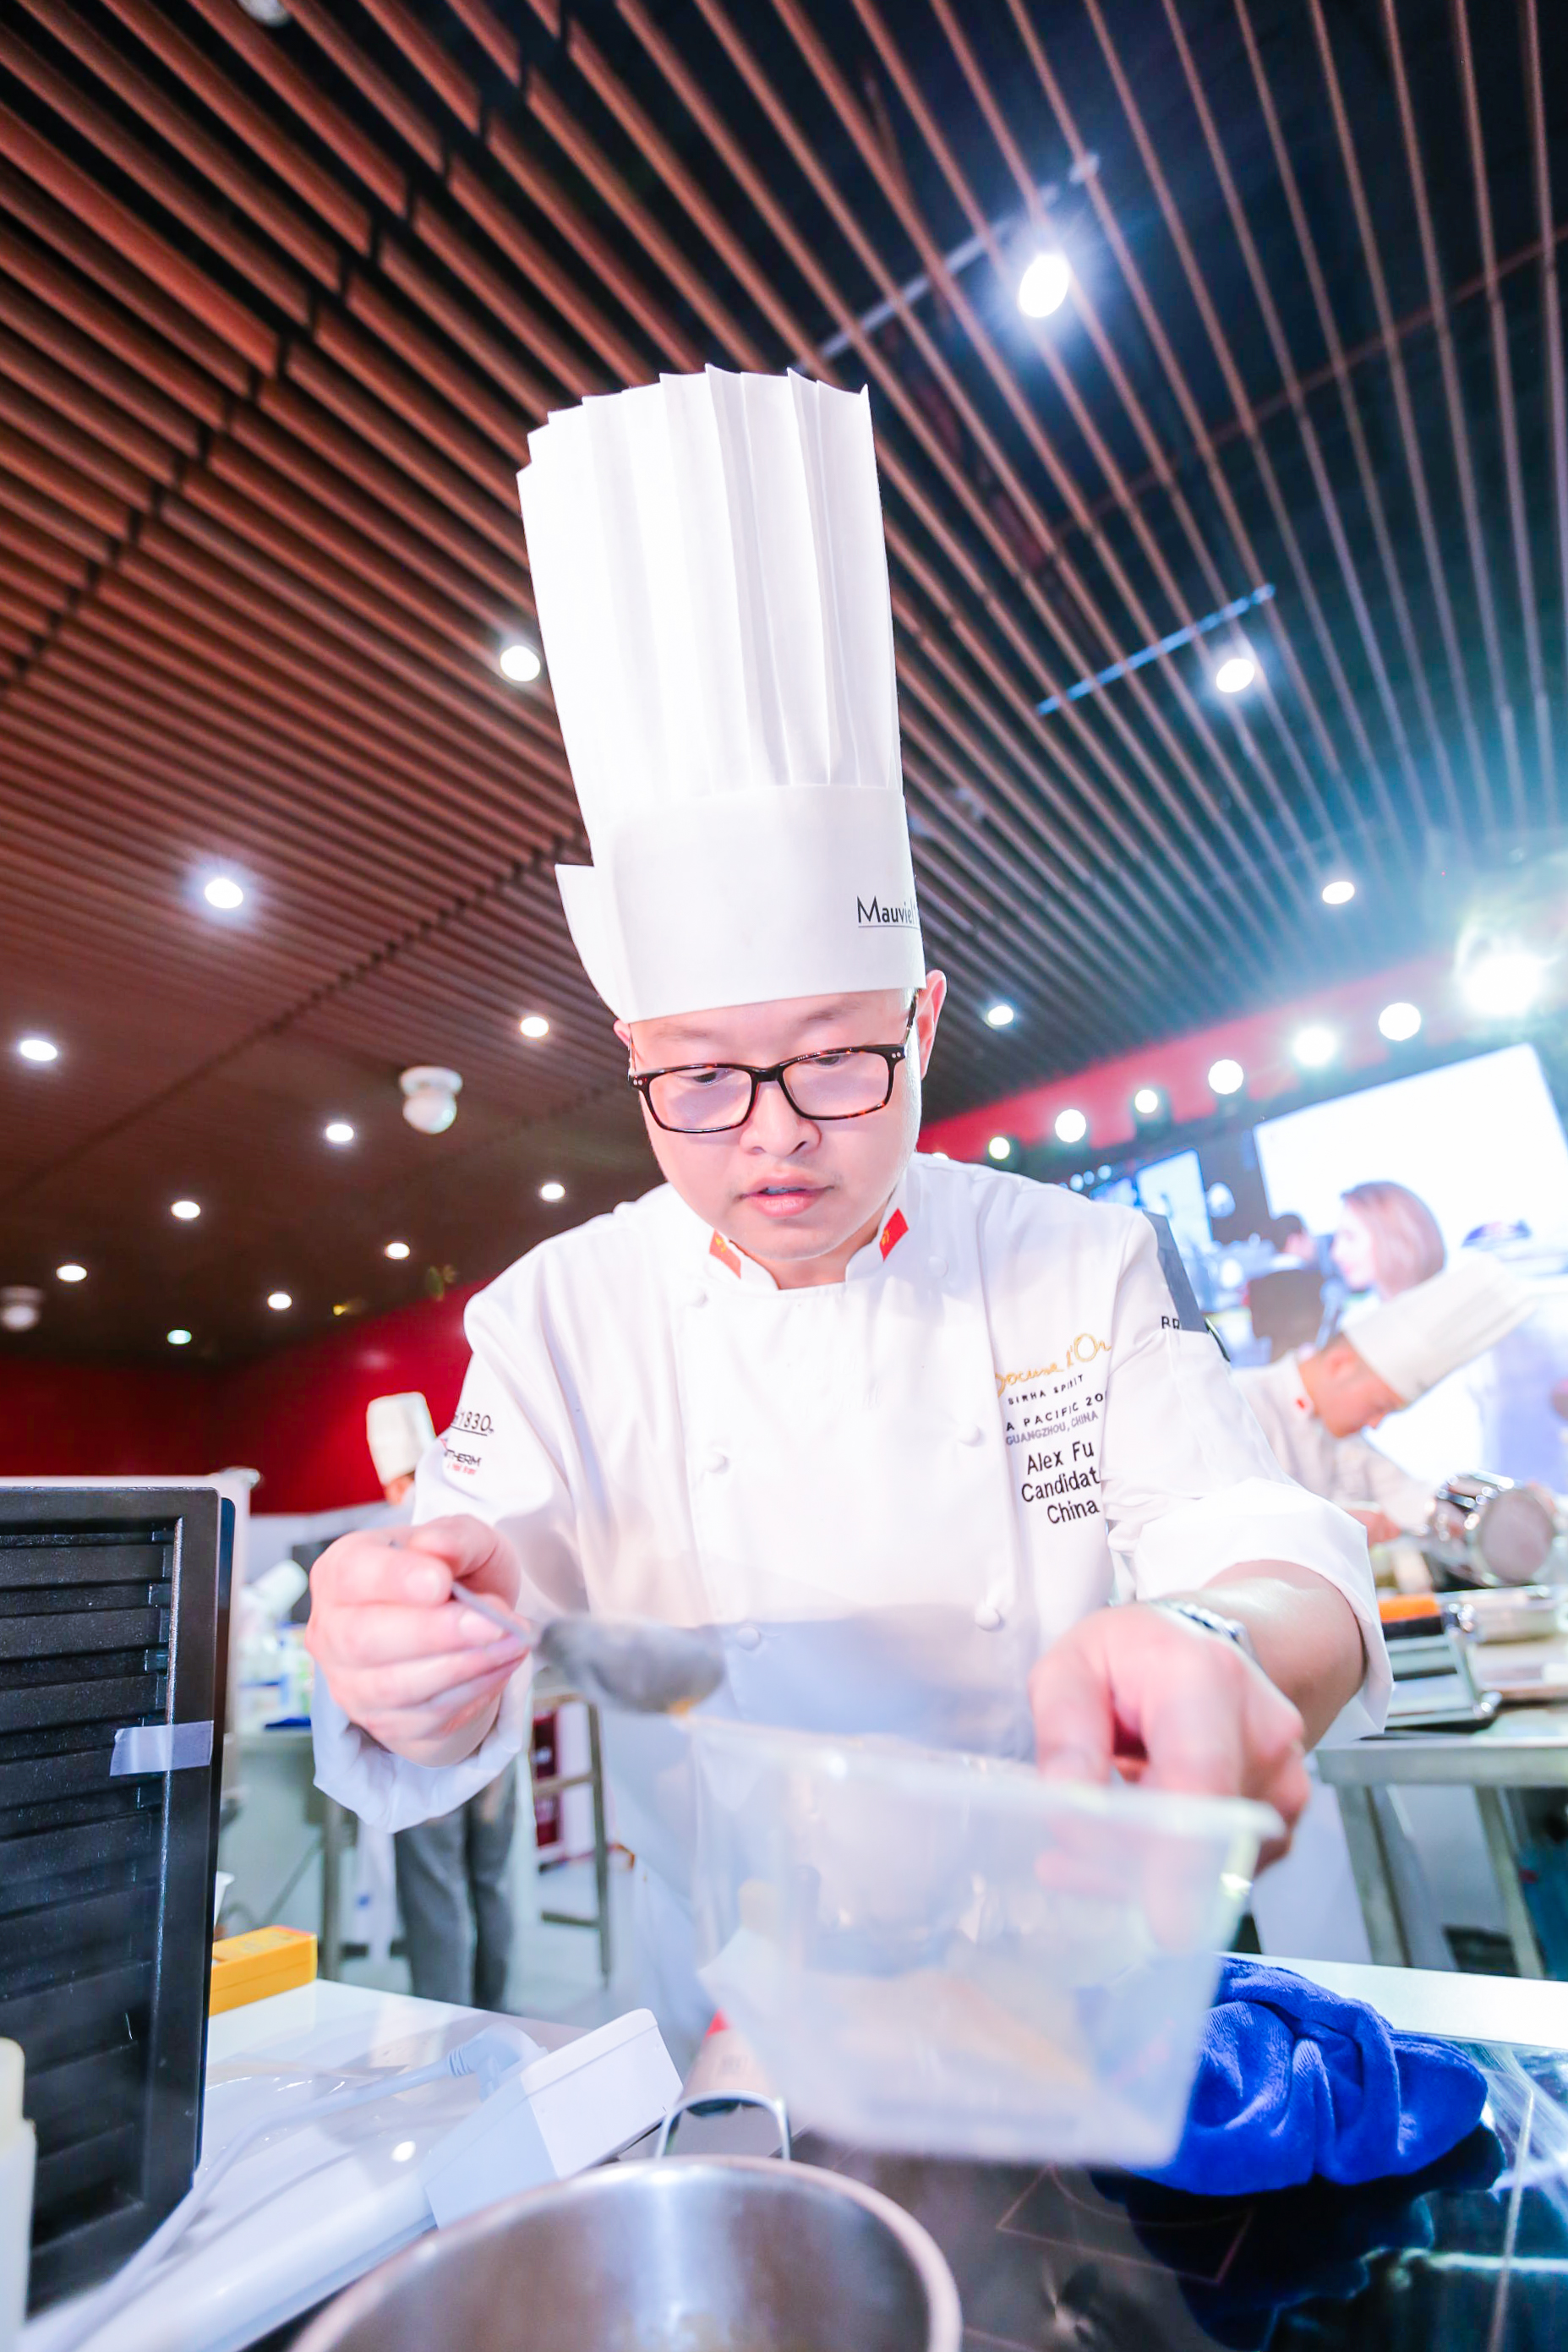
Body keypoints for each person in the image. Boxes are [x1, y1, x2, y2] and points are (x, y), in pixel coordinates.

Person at [304, 368, 1385, 2054]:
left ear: (923, 1023)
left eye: (833, 1060)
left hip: (1080, 1998)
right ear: (633, 1061)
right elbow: (474, 1607)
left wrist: (1216, 1645)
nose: (773, 1136)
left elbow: (1252, 1534)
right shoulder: (560, 1315)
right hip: (737, 2020)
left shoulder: (1069, 1260)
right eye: (700, 1077)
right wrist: (405, 1647)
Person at [366, 1391, 516, 2009]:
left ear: (391, 1479)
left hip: (428, 1736)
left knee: (435, 1886)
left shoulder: (387, 1537)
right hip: (496, 1725)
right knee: (491, 1878)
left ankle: (446, 2026)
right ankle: (494, 2012)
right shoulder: (479, 1519)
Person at [1233, 1253, 1535, 1545]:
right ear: (1340, 1365)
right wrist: (1332, 1524)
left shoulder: (1344, 1439)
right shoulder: (1242, 1401)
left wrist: (1507, 1508)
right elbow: (1231, 1521)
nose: (1376, 1423)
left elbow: (1408, 1496)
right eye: (1380, 1407)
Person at [1330, 1182, 1445, 1304]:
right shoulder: (1362, 1314)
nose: (1336, 1253)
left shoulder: (1450, 1299)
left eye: (1350, 1237)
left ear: (1393, 1236)